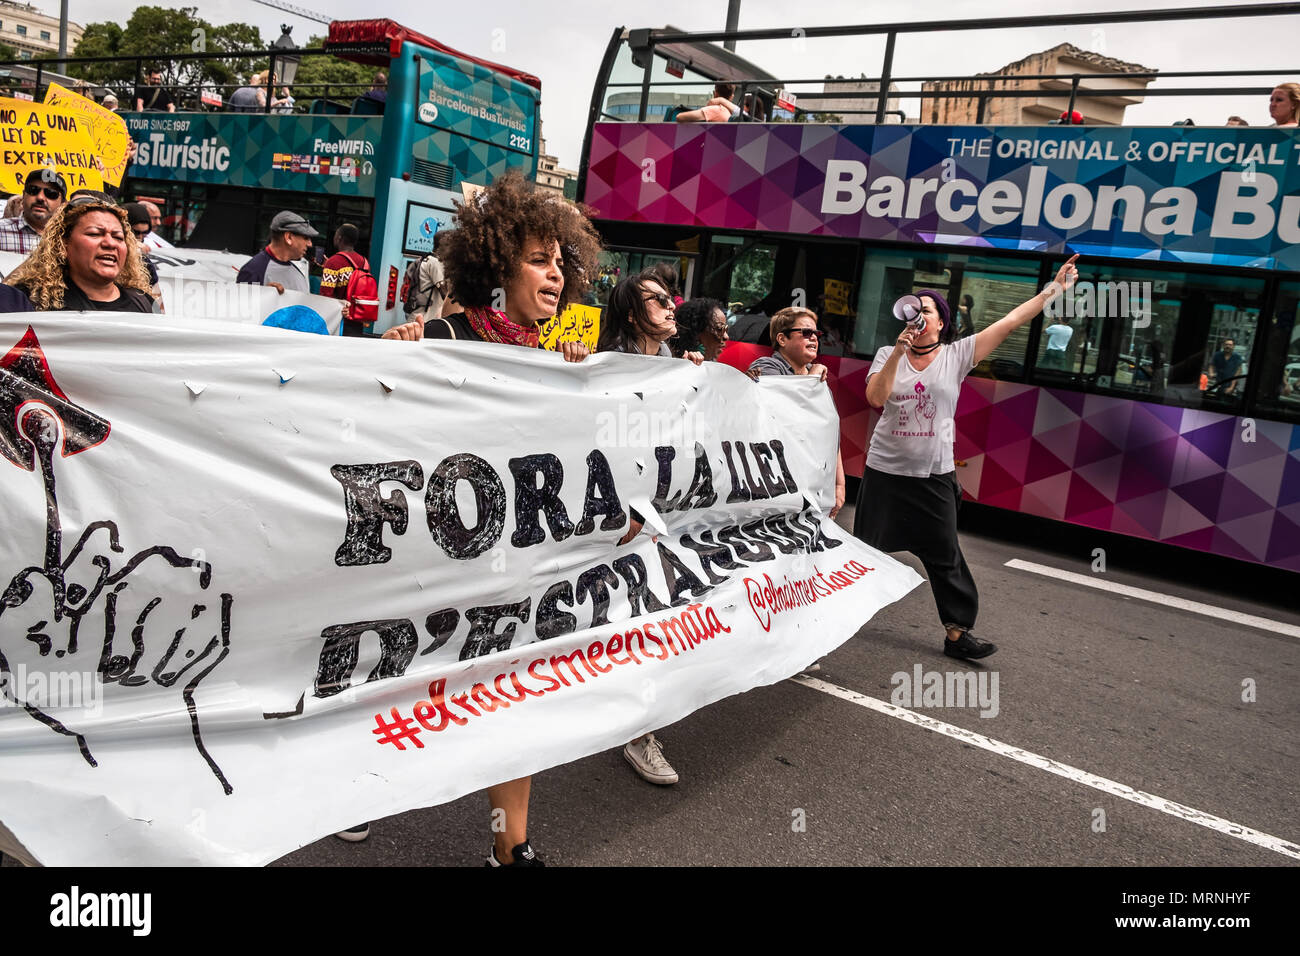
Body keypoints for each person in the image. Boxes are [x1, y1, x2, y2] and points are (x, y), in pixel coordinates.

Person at [379, 172, 603, 866]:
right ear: (498, 265)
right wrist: (394, 355)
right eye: (539, 259)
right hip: (430, 565)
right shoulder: (442, 334)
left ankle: (510, 847)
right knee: (400, 700)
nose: (556, 274)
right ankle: (355, 796)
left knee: (515, 701)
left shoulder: (554, 357)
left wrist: (576, 383)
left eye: (560, 262)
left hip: (509, 567)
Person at [855, 258, 1080, 662]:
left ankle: (957, 634)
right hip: (886, 471)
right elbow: (875, 399)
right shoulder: (890, 353)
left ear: (941, 321)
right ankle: (832, 617)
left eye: (926, 310)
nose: (917, 314)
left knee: (945, 555)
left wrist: (1053, 291)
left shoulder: (958, 354)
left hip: (933, 476)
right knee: (865, 551)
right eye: (913, 308)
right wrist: (899, 352)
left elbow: (1009, 322)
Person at [594, 272, 704, 788]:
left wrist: (696, 383)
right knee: (612, 616)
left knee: (650, 615)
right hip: (617, 516)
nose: (669, 307)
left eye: (670, 299)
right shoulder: (608, 365)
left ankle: (638, 729)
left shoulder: (675, 366)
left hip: (661, 514)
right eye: (656, 301)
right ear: (631, 313)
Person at [747, 306, 845, 518]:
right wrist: (812, 381)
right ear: (782, 339)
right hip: (775, 484)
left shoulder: (816, 377)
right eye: (806, 333)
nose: (814, 339)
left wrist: (839, 484)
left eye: (817, 334)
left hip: (811, 483)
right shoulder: (766, 367)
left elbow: (831, 432)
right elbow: (786, 412)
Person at [5, 194, 155, 312]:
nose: (110, 243)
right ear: (63, 244)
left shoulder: (144, 302)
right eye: (95, 234)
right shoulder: (29, 302)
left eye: (118, 237)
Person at [236, 210, 318, 294]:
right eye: (306, 238)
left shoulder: (299, 269)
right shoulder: (253, 271)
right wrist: (264, 295)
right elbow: (240, 305)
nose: (310, 244)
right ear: (288, 237)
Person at [319, 223, 371, 336]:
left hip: (338, 323)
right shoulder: (365, 262)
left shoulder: (333, 262)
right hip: (357, 321)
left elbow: (325, 296)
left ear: (339, 238)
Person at [0, 169, 67, 255]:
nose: (40, 197)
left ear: (62, 204)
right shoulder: (1, 230)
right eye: (33, 190)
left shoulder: (68, 239)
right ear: (24, 196)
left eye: (51, 193)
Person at [403, 237, 448, 322]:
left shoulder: (423, 259)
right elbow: (445, 293)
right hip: (425, 318)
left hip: (416, 314)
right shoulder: (435, 263)